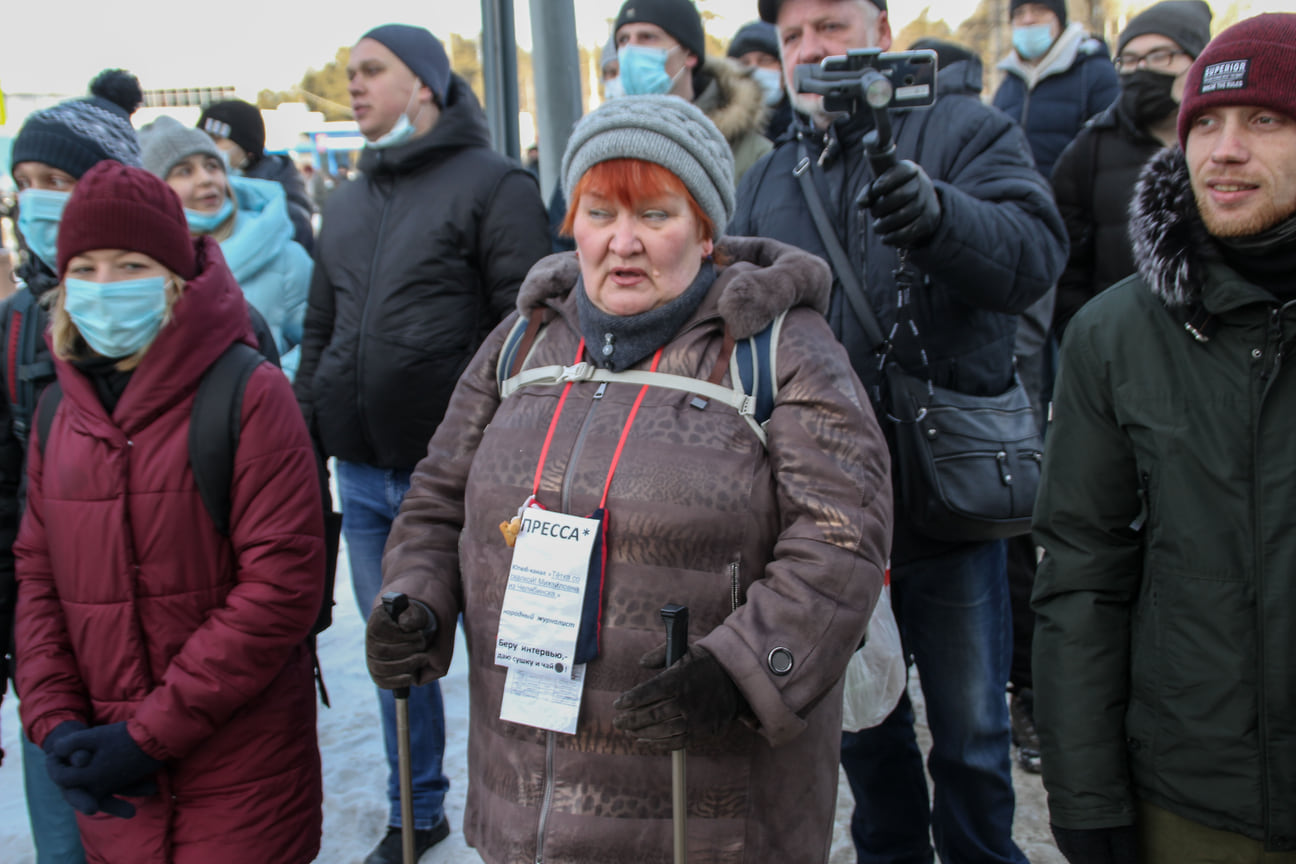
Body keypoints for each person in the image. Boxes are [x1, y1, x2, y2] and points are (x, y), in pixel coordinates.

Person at [364, 93, 892, 864]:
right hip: (526, 804)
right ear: (571, 220)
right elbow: (440, 498)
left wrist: (740, 674)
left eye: (654, 214)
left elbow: (842, 541)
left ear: (706, 228)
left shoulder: (781, 350)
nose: (623, 243)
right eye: (600, 211)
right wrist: (414, 601)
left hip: (701, 818)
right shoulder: (523, 343)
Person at [731, 1, 1068, 862]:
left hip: (946, 503)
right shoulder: (771, 175)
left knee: (971, 737)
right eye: (794, 35)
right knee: (862, 735)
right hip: (829, 523)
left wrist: (940, 218)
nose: (811, 49)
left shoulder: (965, 128)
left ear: (883, 31)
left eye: (831, 26)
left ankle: (981, 853)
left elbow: (1035, 252)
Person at [1033, 13, 1296, 864]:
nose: (1223, 149)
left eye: (1265, 120)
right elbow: (1081, 571)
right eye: (1206, 121)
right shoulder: (1116, 337)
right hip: (1194, 798)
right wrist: (1086, 791)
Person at [14, 160, 325, 863]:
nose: (104, 286)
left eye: (130, 264)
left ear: (175, 277)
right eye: (85, 267)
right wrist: (57, 724)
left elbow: (280, 587)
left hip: (240, 784)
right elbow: (38, 579)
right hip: (112, 788)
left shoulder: (248, 392)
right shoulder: (60, 410)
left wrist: (144, 736)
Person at [293, 23, 550, 864]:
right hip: (365, 480)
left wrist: (503, 453)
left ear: (427, 86)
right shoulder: (347, 198)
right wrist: (310, 430)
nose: (355, 85)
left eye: (373, 72)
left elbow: (533, 333)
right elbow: (321, 326)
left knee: (510, 666)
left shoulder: (495, 184)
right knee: (396, 657)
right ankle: (416, 812)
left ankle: (530, 817)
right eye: (353, 72)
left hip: (473, 484)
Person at [2, 70, 146, 864]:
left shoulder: (183, 322)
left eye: (57, 181)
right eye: (27, 184)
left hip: (160, 663)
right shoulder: (17, 327)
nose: (38, 200)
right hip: (51, 657)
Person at [1051, 0, 1214, 338]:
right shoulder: (1088, 150)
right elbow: (1065, 269)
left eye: (1159, 56)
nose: (1141, 70)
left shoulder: (1227, 146)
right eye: (1130, 59)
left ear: (1198, 62)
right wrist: (1087, 339)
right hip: (1123, 348)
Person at [139, 116, 311, 378]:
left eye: (212, 166)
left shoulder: (285, 256)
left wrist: (273, 385)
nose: (206, 179)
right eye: (184, 171)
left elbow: (318, 342)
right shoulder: (139, 265)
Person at [613, 0, 772, 184]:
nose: (631, 49)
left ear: (690, 55)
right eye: (623, 40)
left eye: (648, 37)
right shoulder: (609, 145)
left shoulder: (753, 155)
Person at [993, 0, 1120, 179]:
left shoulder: (1094, 73)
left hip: (1071, 203)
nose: (1028, 19)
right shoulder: (1009, 82)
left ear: (1059, 19)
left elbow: (1114, 155)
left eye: (1039, 10)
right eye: (1020, 13)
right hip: (1015, 203)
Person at [197, 99, 316, 251]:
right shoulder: (205, 193)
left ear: (248, 151)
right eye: (201, 139)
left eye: (215, 139)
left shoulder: (285, 205)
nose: (206, 147)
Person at [728, 20, 794, 140]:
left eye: (765, 61)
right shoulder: (725, 133)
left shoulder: (810, 127)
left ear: (783, 67)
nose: (755, 70)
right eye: (744, 63)